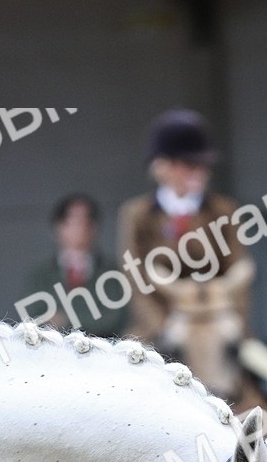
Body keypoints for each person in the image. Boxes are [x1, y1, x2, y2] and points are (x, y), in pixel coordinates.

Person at [118, 109, 254, 399]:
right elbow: (135, 277)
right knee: (122, 387)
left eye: (202, 166)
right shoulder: (137, 215)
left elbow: (238, 266)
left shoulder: (224, 210)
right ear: (161, 167)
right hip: (166, 320)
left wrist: (233, 319)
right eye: (189, 165)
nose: (199, 173)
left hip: (217, 317)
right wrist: (162, 324)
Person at [23, 194, 127, 337]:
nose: (80, 229)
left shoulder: (113, 271)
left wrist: (65, 320)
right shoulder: (41, 275)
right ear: (58, 227)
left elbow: (114, 318)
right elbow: (32, 318)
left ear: (95, 227)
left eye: (86, 222)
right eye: (73, 222)